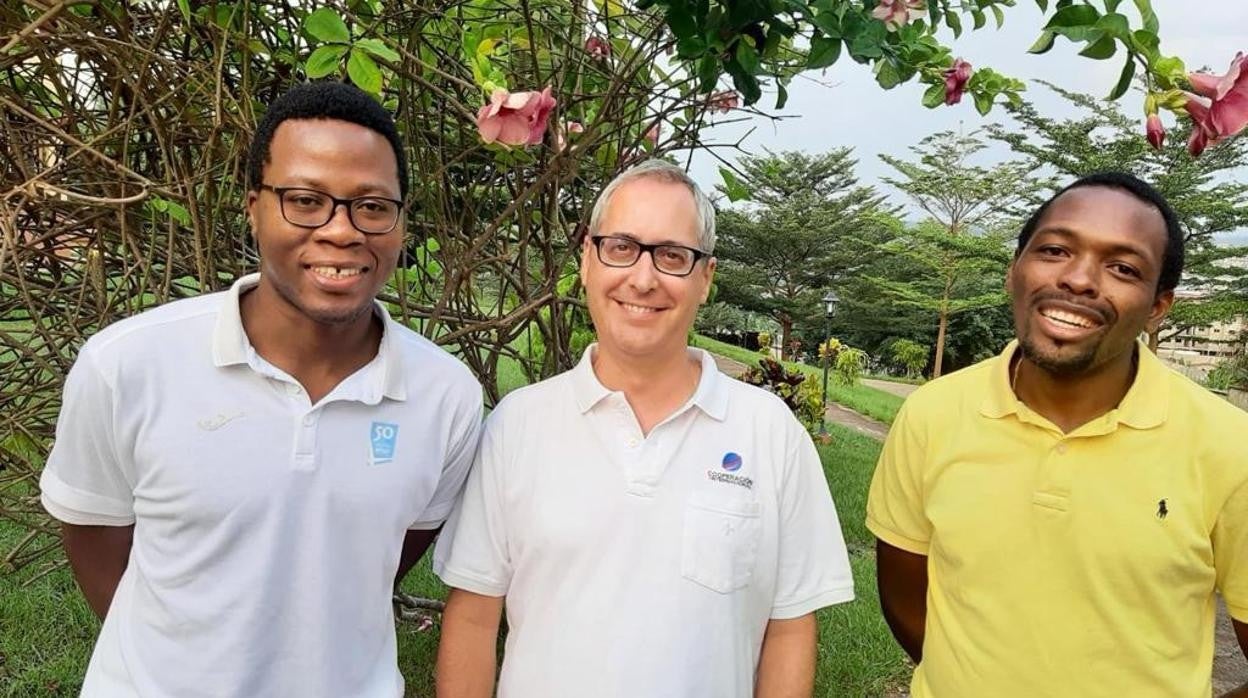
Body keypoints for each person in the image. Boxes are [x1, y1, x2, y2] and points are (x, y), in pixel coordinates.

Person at [39, 81, 483, 697]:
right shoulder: (128, 364)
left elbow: (390, 548)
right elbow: (93, 534)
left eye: (373, 206)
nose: (342, 230)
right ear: (254, 206)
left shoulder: (447, 395)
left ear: (400, 221)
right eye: (305, 200)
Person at [431, 159, 855, 698]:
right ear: (587, 259)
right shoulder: (519, 424)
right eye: (621, 247)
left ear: (706, 279)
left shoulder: (770, 434)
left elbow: (790, 626)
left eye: (673, 255)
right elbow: (473, 615)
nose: (643, 277)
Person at [867, 171, 1248, 697]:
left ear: (1158, 307)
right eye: (1053, 251)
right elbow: (906, 596)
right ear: (1013, 271)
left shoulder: (1231, 448)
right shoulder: (931, 414)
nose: (1079, 280)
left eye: (1122, 267)